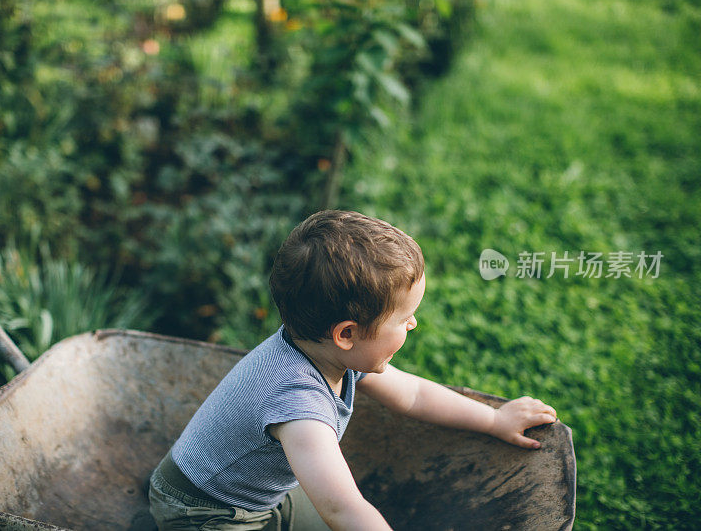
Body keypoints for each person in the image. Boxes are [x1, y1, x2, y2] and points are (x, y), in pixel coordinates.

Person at [148, 210, 558, 530]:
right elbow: (343, 510)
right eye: (404, 318)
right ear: (347, 333)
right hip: (205, 514)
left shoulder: (332, 353)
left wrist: (493, 418)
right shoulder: (298, 405)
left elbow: (413, 395)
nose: (413, 324)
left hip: (258, 494)